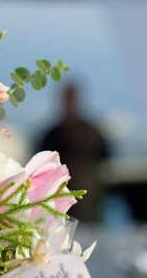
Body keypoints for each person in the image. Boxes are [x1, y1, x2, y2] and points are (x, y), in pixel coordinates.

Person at [38, 82, 111, 223]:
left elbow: (104, 162)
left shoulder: (93, 133)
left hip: (90, 200)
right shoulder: (50, 135)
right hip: (58, 198)